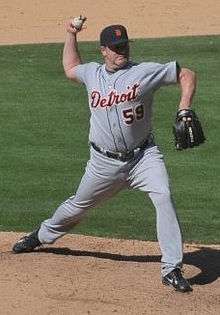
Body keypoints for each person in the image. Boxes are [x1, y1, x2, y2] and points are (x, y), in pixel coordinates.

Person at [12, 18, 196, 293]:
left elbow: (186, 74)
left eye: (124, 46)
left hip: (143, 157)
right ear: (103, 50)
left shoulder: (144, 72)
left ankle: (171, 268)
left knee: (164, 196)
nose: (122, 51)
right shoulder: (92, 73)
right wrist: (71, 34)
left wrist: (184, 108)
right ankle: (41, 235)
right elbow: (71, 67)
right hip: (103, 163)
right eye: (116, 48)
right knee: (78, 205)